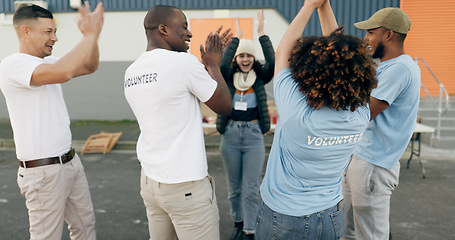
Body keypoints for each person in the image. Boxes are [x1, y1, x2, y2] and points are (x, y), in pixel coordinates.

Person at [256, 0, 377, 239]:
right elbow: (341, 55)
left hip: (284, 219)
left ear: (310, 71)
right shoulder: (360, 114)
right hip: (331, 216)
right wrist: (323, 5)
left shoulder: (297, 113)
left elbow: (282, 55)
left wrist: (310, 6)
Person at [123, 5, 233, 240]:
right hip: (185, 186)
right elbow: (225, 107)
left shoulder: (131, 72)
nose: (189, 33)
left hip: (151, 182)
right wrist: (213, 64)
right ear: (162, 29)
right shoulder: (184, 64)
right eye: (183, 26)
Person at [0, 2, 104, 240]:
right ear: (25, 31)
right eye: (48, 31)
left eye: (55, 31)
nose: (54, 38)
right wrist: (88, 34)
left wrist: (94, 37)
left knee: (85, 227)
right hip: (43, 172)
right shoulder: (12, 65)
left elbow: (89, 66)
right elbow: (63, 73)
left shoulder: (48, 62)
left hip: (70, 162)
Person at [341, 7, 421, 240]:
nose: (366, 38)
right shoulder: (385, 67)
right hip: (360, 159)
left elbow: (364, 113)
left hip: (372, 166)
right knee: (346, 233)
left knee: (370, 236)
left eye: (370, 32)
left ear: (388, 35)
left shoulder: (400, 68)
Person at [215, 10, 274, 240]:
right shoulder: (229, 76)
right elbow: (221, 65)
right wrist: (236, 38)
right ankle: (238, 224)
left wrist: (261, 34)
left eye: (249, 56)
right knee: (234, 189)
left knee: (251, 189)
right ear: (237, 59)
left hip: (253, 136)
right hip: (229, 136)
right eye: (241, 56)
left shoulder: (260, 76)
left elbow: (272, 61)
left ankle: (250, 230)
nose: (246, 60)